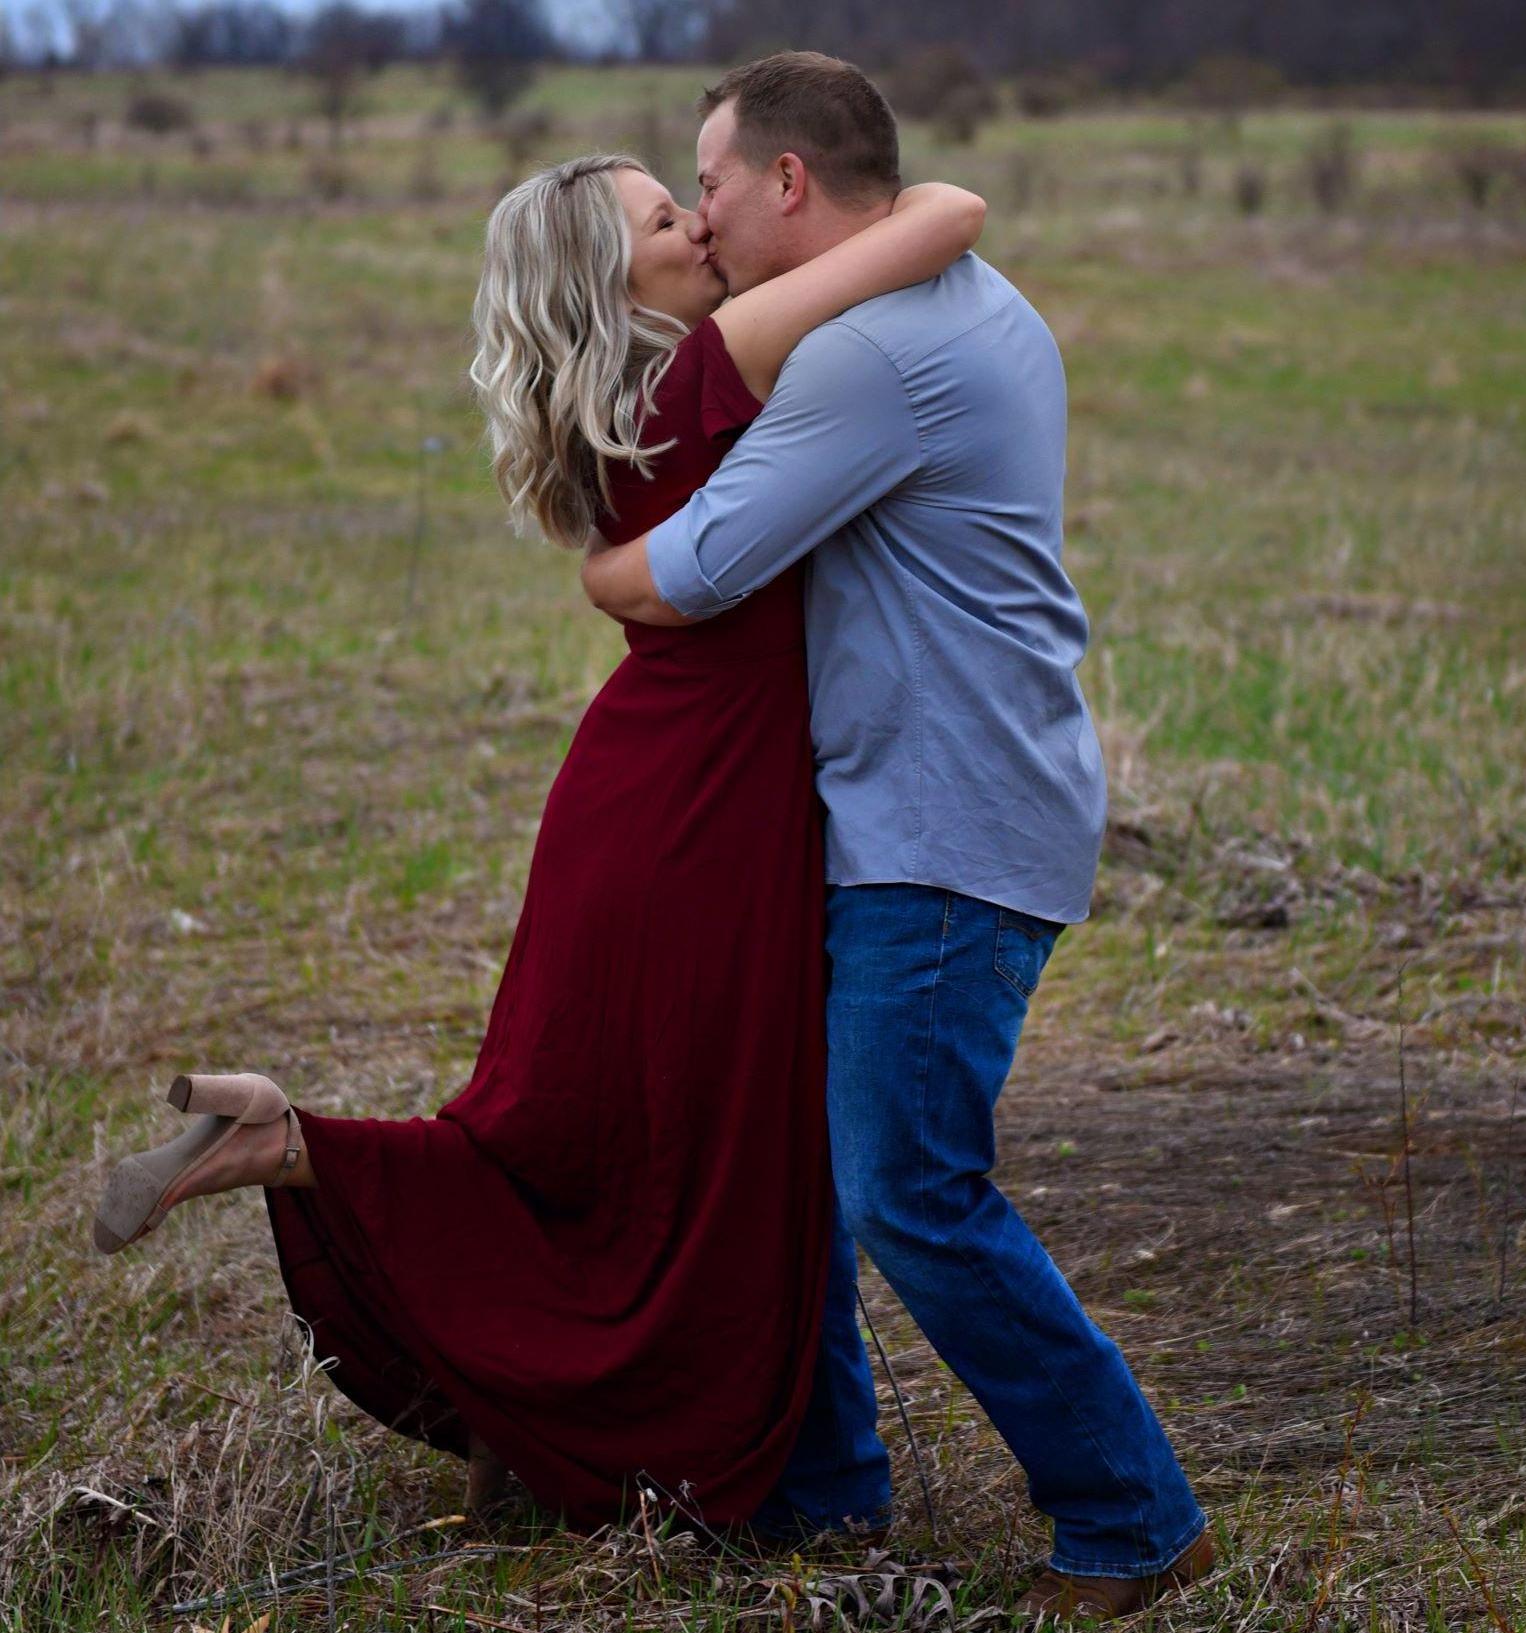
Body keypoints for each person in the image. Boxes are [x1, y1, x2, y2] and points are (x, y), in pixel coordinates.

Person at [90, 149, 986, 1534]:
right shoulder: (703, 375)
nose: (700, 225)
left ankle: (312, 1164)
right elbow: (947, 215)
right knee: (718, 1153)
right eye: (664, 217)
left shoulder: (610, 410)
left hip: (645, 800)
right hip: (707, 814)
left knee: (583, 1132)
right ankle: (744, 1463)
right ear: (606, 282)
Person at [579, 51, 1217, 1621]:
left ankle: (1131, 1516)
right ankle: (821, 1483)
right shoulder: (960, 290)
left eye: (710, 183)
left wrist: (592, 568)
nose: (700, 218)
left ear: (788, 182)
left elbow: (690, 574)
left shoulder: (873, 356)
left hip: (944, 833)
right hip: (929, 804)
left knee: (909, 1189)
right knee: (815, 1160)